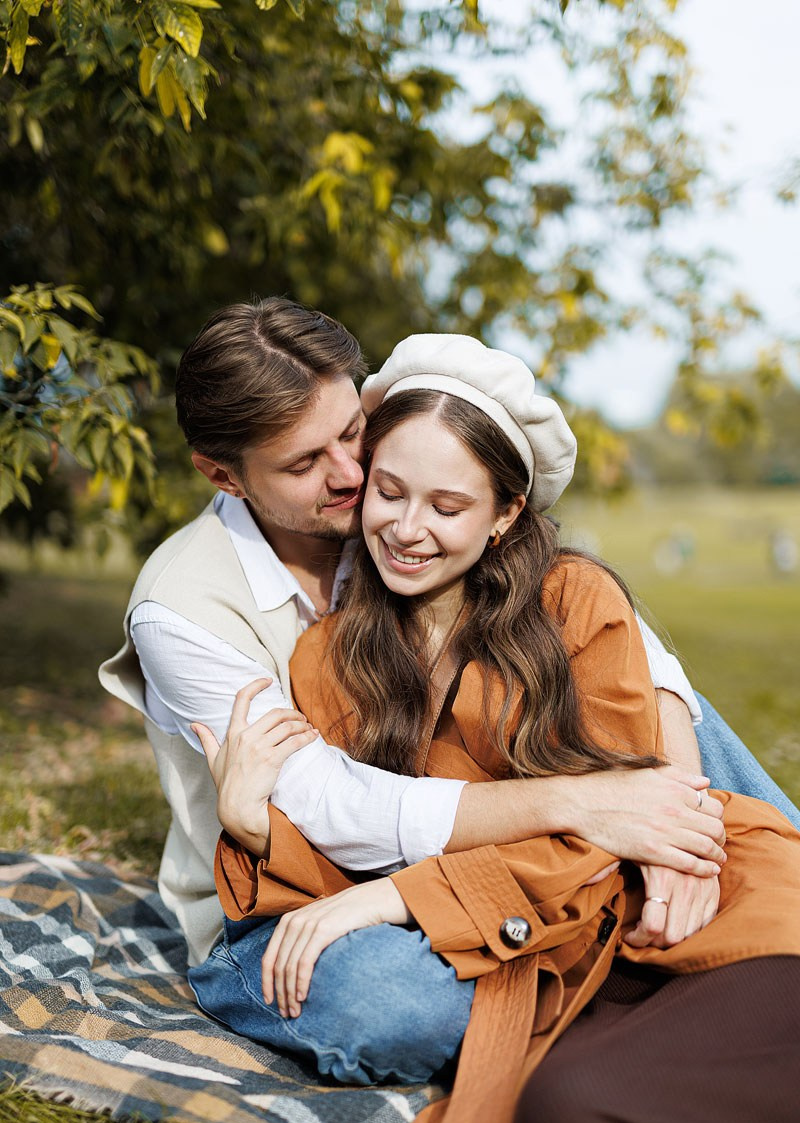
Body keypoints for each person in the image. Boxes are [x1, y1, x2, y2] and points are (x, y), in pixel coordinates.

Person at [195, 333, 800, 1123]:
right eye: (389, 493)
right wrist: (253, 826)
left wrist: (399, 896)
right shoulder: (327, 660)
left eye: (448, 506)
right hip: (532, 963)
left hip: (666, 918)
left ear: (505, 514)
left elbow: (623, 822)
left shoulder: (575, 600)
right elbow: (335, 868)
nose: (407, 529)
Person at [98, 298, 796, 971]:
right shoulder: (181, 610)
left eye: (352, 431)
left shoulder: (386, 509)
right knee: (397, 995)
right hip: (281, 887)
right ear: (224, 475)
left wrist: (679, 826)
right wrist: (581, 804)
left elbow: (612, 633)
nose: (350, 473)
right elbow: (326, 805)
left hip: (450, 842)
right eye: (304, 463)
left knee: (671, 720)